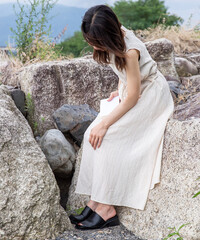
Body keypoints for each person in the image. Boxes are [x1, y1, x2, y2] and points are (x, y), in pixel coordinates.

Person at [69, 4, 175, 230]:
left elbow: (134, 95)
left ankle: (107, 209)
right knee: (91, 134)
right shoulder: (117, 36)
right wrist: (122, 87)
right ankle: (95, 200)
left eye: (94, 40)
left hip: (150, 97)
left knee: (108, 137)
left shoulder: (130, 51)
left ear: (108, 34)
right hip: (134, 91)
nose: (91, 44)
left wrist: (106, 122)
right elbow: (125, 75)